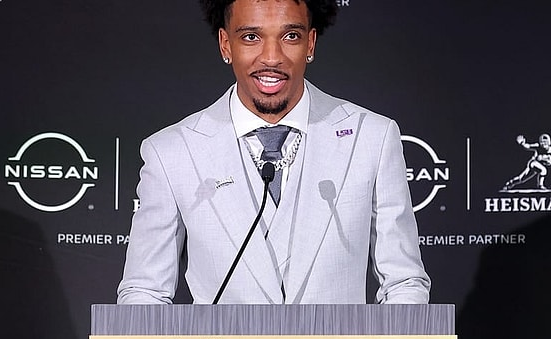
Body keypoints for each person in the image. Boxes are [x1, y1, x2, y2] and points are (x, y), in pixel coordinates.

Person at [118, 0, 430, 304]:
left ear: (310, 43)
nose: (271, 57)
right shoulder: (172, 152)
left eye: (290, 36)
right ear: (226, 44)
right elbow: (144, 293)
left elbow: (404, 282)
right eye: (251, 37)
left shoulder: (371, 137)